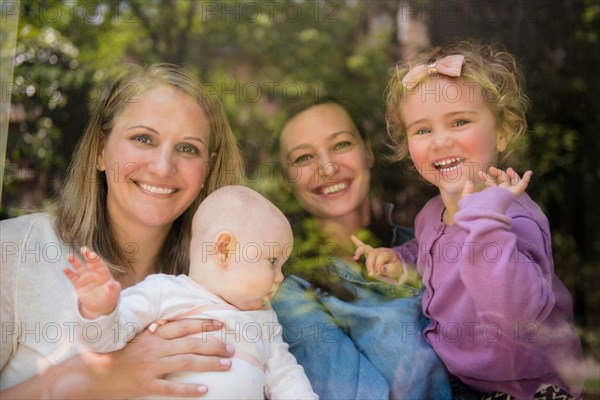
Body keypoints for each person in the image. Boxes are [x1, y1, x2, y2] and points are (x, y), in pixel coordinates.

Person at [352, 40, 584, 399]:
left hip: (527, 386)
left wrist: (487, 221)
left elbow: (516, 313)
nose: (440, 141)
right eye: (422, 130)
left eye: (459, 122)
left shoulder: (511, 218)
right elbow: (433, 252)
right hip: (461, 379)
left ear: (503, 132)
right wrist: (401, 261)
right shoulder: (432, 213)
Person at [0, 63, 245, 398]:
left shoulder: (227, 286)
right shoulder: (15, 251)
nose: (162, 166)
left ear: (208, 168)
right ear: (101, 150)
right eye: (143, 138)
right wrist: (93, 378)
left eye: (188, 148)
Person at [270, 96, 452, 399]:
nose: (327, 167)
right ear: (287, 180)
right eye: (303, 158)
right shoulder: (293, 296)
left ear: (367, 151)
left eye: (341, 144)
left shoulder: (430, 240)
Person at [64, 185, 318, 399]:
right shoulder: (164, 291)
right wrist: (100, 310)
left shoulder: (264, 318)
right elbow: (103, 342)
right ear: (224, 249)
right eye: (273, 261)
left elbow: (286, 377)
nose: (280, 277)